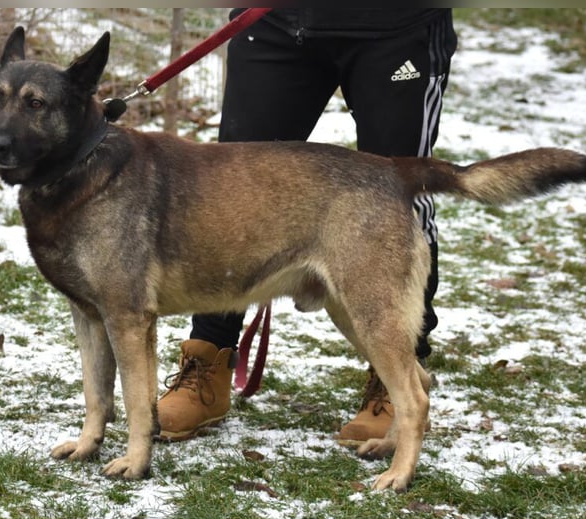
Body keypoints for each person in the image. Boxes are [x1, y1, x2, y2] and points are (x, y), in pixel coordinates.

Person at [156, 9, 458, 445]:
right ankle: (208, 358)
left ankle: (396, 376)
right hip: (278, 20)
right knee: (228, 199)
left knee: (398, 203)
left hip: (397, 27)